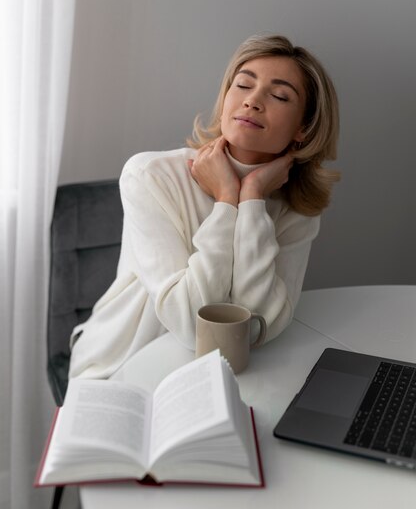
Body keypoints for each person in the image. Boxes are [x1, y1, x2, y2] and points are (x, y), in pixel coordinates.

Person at [69, 34, 340, 379]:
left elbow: (258, 328)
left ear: (303, 128)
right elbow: (190, 323)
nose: (253, 101)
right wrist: (227, 199)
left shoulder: (298, 205)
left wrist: (253, 199)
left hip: (227, 372)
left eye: (279, 95)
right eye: (243, 85)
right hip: (121, 366)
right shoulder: (150, 177)